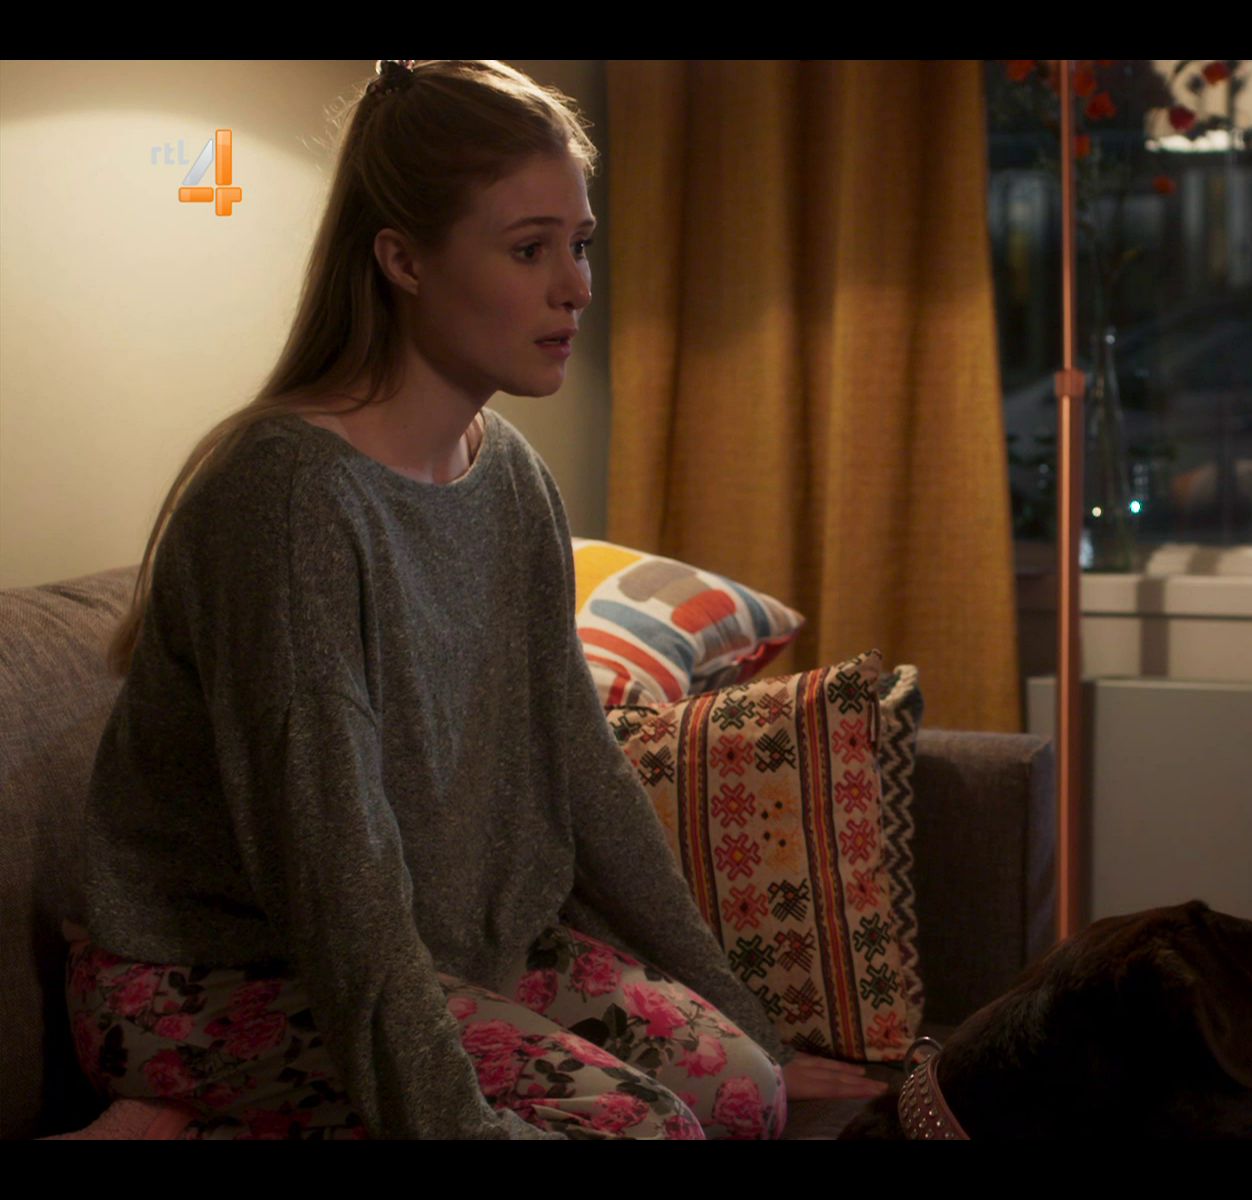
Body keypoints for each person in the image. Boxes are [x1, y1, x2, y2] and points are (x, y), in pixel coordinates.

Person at [67, 59, 887, 1141]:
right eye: (529, 249)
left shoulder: (511, 477)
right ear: (403, 259)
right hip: (218, 979)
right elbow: (336, 874)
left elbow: (583, 769)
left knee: (743, 1094)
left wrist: (755, 1030)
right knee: (648, 1128)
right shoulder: (288, 499)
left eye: (579, 244)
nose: (576, 287)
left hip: (458, 953)